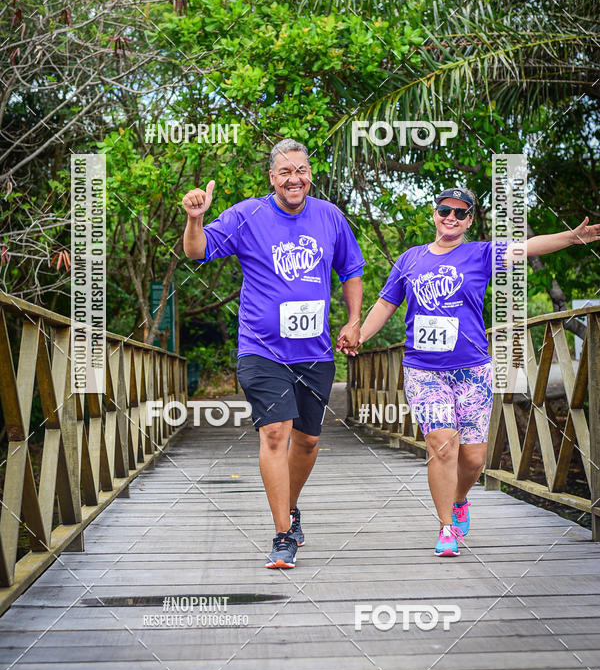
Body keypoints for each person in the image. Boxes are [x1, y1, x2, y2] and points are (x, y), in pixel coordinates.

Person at [353, 187, 600, 557]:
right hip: (424, 370)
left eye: (460, 213)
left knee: (474, 459)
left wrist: (571, 237)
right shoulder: (409, 260)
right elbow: (385, 304)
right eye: (444, 211)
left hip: (472, 370)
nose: (451, 218)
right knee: (442, 444)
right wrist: (357, 334)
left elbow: (530, 246)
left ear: (469, 220)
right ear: (434, 214)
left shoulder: (481, 253)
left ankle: (460, 500)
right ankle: (446, 528)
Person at [182, 139, 365, 568]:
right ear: (272, 178)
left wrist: (354, 320)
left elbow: (352, 270)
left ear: (309, 174)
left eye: (300, 170)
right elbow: (197, 251)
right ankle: (282, 534)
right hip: (261, 349)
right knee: (275, 433)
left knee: (307, 441)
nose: (294, 178)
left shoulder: (330, 217)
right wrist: (196, 219)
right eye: (285, 172)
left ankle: (292, 507)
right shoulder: (248, 215)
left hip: (315, 352)